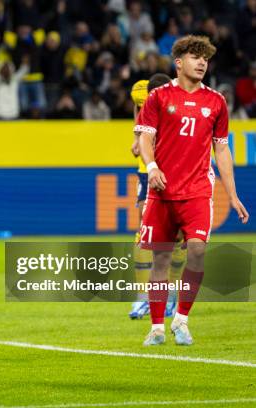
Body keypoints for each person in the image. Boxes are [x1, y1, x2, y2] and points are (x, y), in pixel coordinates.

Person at [136, 35, 249, 346]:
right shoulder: (158, 97)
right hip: (161, 192)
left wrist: (234, 194)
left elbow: (222, 151)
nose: (202, 63)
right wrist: (152, 167)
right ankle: (157, 327)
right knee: (160, 261)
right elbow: (145, 137)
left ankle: (182, 320)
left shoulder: (216, 102)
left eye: (206, 58)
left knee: (197, 250)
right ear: (178, 62)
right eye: (195, 56)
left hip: (198, 191)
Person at [128, 73, 188, 321]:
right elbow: (137, 141)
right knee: (145, 231)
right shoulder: (146, 101)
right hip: (149, 173)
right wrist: (137, 138)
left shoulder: (180, 105)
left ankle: (171, 295)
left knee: (178, 235)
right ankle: (142, 298)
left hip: (179, 173)